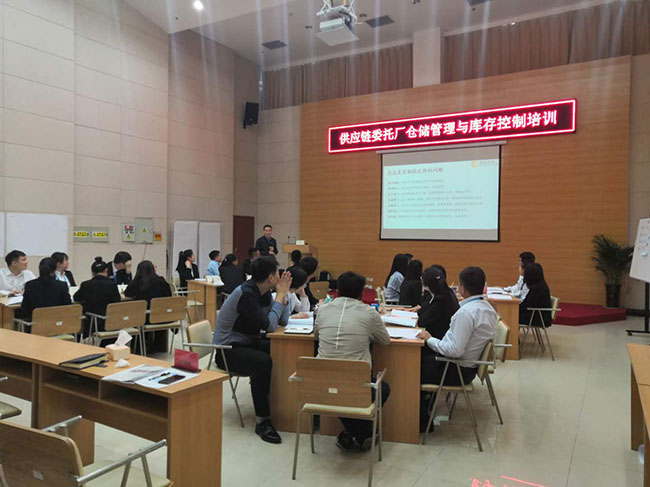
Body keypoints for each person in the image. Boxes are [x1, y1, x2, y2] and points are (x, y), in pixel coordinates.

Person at [213, 256, 291, 444]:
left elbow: (282, 321)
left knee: (282, 348)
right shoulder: (246, 294)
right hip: (227, 350)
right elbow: (270, 326)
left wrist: (283, 297)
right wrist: (280, 296)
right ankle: (262, 420)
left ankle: (282, 404)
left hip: (246, 342)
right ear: (271, 278)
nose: (280, 278)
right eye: (278, 274)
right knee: (263, 362)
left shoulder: (263, 292)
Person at [314, 271, 391, 451]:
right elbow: (385, 341)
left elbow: (317, 335)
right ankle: (363, 432)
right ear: (362, 292)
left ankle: (353, 432)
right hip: (355, 386)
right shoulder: (369, 313)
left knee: (340, 389)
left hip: (319, 386)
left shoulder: (323, 310)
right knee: (382, 388)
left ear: (338, 291)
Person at [417, 266, 497, 388]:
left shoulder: (466, 313)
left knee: (411, 367)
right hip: (465, 367)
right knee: (418, 359)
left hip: (456, 370)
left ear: (462, 288)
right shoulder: (489, 309)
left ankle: (424, 400)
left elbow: (455, 350)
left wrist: (430, 339)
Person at [125, 260, 172, 352]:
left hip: (142, 318)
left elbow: (127, 293)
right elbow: (168, 296)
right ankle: (158, 346)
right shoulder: (161, 281)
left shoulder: (136, 283)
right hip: (160, 316)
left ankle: (139, 347)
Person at [74, 257, 121, 337]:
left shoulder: (85, 284)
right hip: (109, 322)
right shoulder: (112, 285)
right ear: (106, 271)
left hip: (91, 323)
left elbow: (76, 298)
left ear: (92, 272)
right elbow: (117, 302)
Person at [417, 266, 460, 349]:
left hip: (437, 342)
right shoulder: (446, 293)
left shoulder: (440, 300)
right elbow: (420, 312)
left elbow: (421, 322)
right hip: (440, 338)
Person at [21, 258, 71, 323]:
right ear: (54, 270)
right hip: (57, 324)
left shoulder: (29, 285)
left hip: (35, 325)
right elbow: (68, 307)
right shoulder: (62, 285)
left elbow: (25, 308)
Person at [519, 263, 552, 327]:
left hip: (538, 318)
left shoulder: (537, 289)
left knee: (509, 315)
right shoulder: (540, 285)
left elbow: (526, 305)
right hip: (536, 314)